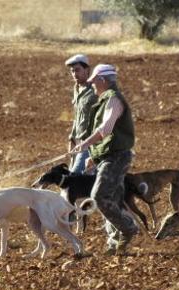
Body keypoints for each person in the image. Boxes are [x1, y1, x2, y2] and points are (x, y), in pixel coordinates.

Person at [70, 64, 138, 254]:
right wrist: (94, 156)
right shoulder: (104, 99)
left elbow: (105, 130)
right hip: (108, 157)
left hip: (117, 157)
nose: (91, 84)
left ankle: (128, 228)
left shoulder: (114, 100)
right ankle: (115, 244)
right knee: (113, 200)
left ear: (102, 80)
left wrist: (84, 145)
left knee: (99, 197)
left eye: (93, 81)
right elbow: (106, 136)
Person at [65, 54, 98, 174]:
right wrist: (72, 139)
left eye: (77, 70)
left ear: (87, 70)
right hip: (78, 142)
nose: (74, 74)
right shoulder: (77, 89)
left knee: (74, 177)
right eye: (72, 71)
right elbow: (78, 117)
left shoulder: (95, 90)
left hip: (90, 143)